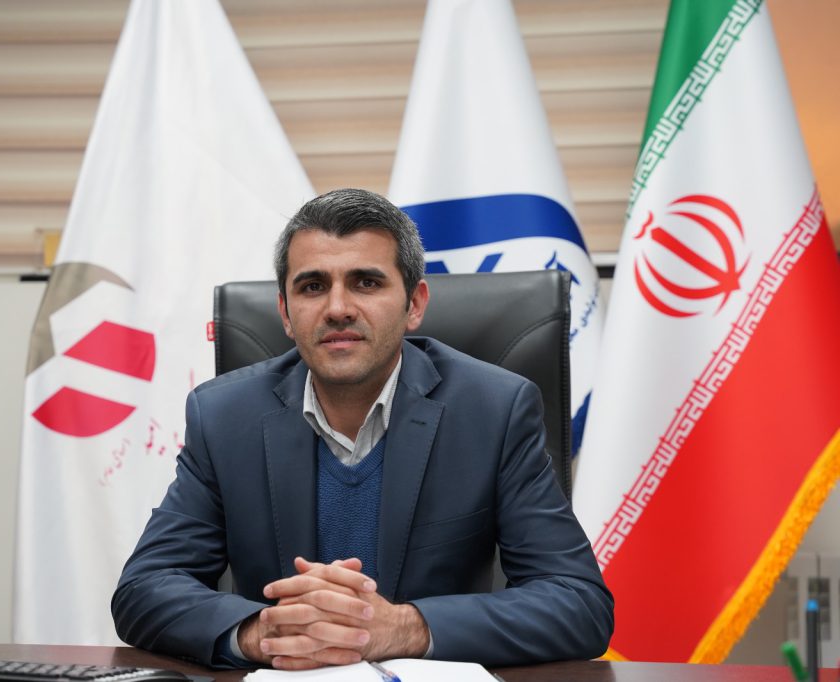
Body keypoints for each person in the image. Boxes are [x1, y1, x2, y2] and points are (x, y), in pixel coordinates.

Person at [112, 188, 613, 670]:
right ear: (285, 312)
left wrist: (403, 628)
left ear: (414, 304)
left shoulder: (494, 410)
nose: (338, 308)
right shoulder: (224, 415)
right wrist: (264, 632)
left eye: (366, 283)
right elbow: (144, 589)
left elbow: (578, 604)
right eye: (312, 286)